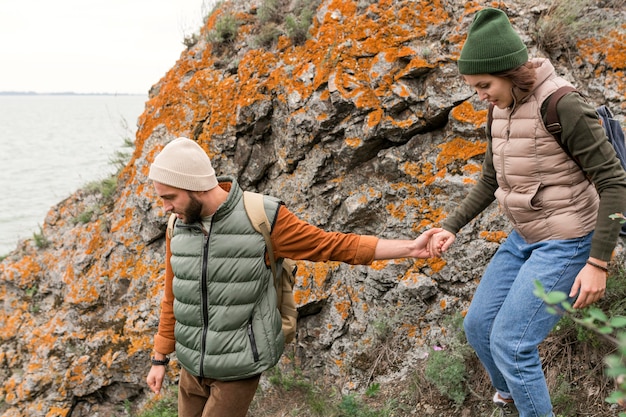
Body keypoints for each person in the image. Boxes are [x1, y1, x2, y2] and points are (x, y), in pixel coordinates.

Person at [145, 137, 441, 417]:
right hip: (190, 367)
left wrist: (410, 248)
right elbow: (173, 296)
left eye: (170, 197)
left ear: (195, 187)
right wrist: (160, 358)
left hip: (238, 367)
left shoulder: (261, 217)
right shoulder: (178, 225)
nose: (166, 208)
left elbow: (333, 245)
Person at [428, 8, 626, 417]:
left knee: (512, 343)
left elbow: (613, 182)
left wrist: (597, 263)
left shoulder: (563, 105)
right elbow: (490, 179)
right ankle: (513, 398)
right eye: (474, 87)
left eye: (484, 85)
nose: (479, 95)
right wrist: (451, 226)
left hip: (571, 240)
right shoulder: (498, 107)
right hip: (527, 235)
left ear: (510, 72)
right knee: (479, 328)